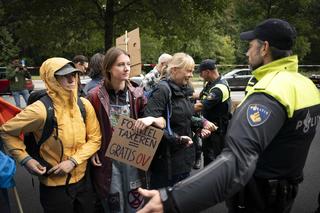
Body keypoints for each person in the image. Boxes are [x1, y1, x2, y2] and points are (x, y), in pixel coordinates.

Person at [137, 18, 320, 213]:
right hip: (284, 194)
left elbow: (237, 161)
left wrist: (171, 200)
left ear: (264, 48)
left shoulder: (271, 90)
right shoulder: (306, 85)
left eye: (250, 46)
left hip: (257, 197)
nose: (247, 52)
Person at [0, 57, 102, 213]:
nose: (71, 79)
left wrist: (73, 161)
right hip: (54, 186)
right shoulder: (40, 110)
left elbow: (95, 139)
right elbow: (6, 131)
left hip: (84, 182)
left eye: (73, 74)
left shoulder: (84, 105)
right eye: (64, 75)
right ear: (51, 79)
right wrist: (25, 159)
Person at [87, 47, 165, 213]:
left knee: (134, 204)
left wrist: (150, 119)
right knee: (113, 204)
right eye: (120, 64)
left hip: (132, 159)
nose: (126, 68)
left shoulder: (137, 94)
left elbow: (162, 122)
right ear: (108, 67)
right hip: (107, 160)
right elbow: (86, 128)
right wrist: (91, 149)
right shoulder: (94, 96)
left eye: (128, 64)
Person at [142, 52, 216, 189]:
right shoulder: (162, 90)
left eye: (192, 71)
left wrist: (199, 127)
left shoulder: (185, 90)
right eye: (188, 70)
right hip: (165, 163)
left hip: (184, 159)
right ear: (174, 70)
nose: (191, 75)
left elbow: (185, 117)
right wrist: (177, 139)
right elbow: (151, 126)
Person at [194, 59, 231, 166]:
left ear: (207, 72)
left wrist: (182, 109)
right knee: (207, 155)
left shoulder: (219, 88)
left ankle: (216, 181)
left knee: (214, 159)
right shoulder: (211, 83)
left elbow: (201, 105)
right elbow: (201, 96)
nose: (200, 75)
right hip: (209, 126)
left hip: (217, 130)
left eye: (201, 72)